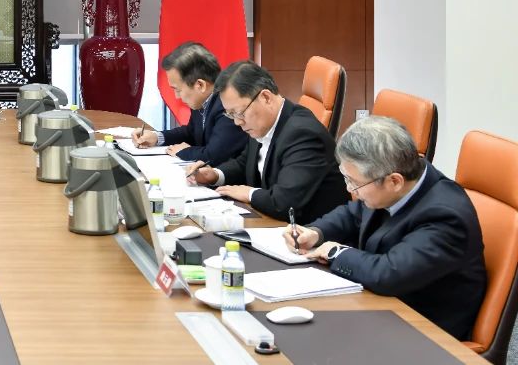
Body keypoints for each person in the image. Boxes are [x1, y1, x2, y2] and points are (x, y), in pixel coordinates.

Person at [282, 116, 486, 340]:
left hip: (421, 330)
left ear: (394, 181)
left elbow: (388, 274)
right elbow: (354, 213)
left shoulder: (445, 217)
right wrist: (316, 232)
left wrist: (335, 252)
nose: (350, 189)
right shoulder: (398, 180)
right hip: (380, 305)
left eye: (354, 182)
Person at [187, 60, 348, 223]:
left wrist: (249, 193)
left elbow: (285, 203)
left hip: (310, 232)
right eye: (231, 114)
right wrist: (215, 175)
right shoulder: (263, 123)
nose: (237, 122)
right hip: (275, 224)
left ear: (265, 98)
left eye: (239, 113)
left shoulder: (303, 134)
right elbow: (245, 163)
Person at [131, 41, 243, 165]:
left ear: (200, 85)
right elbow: (191, 132)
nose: (177, 96)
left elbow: (214, 155)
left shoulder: (228, 105)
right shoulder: (202, 100)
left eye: (178, 90)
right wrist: (157, 137)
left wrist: (184, 151)